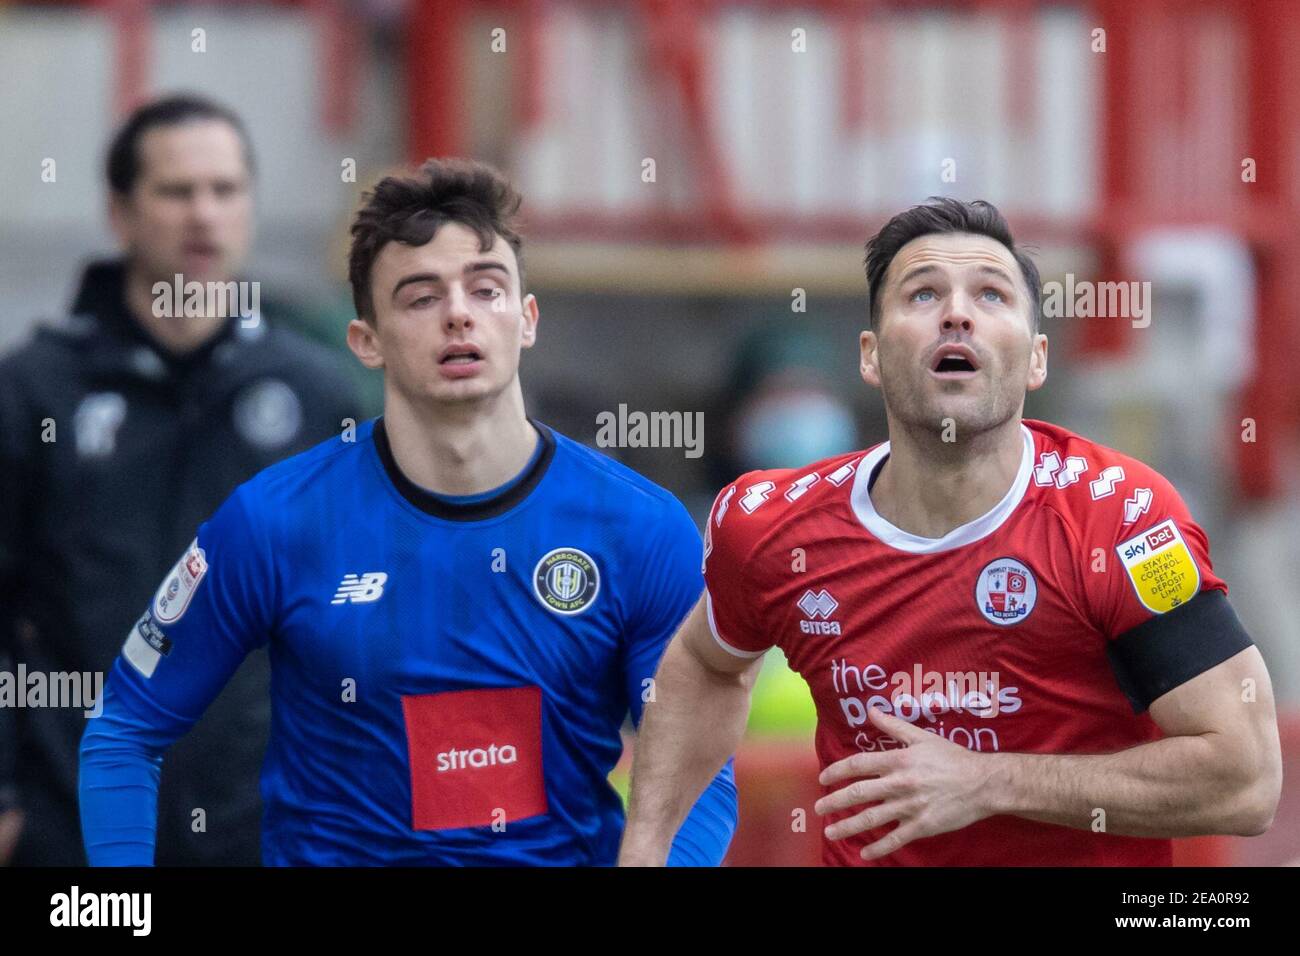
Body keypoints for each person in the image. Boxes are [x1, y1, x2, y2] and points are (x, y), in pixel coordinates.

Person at [79, 159, 737, 866]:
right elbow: (124, 731)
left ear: (527, 319)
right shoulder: (275, 521)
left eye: (487, 289)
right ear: (367, 341)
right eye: (421, 298)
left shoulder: (641, 530)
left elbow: (702, 779)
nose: (459, 312)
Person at [618, 197, 1282, 867]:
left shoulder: (1122, 518)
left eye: (991, 295)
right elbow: (708, 663)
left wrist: (987, 781)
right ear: (871, 357)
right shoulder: (772, 523)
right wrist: (645, 850)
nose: (956, 313)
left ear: (1036, 359)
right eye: (923, 293)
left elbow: (1246, 778)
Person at [0, 93, 361, 866]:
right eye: (176, 191)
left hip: (263, 827)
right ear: (120, 212)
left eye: (225, 190)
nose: (205, 214)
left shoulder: (321, 397)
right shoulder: (32, 392)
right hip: (72, 829)